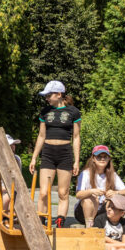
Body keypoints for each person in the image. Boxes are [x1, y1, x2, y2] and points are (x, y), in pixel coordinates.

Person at [29, 80, 81, 229]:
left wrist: (76, 161)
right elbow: (41, 135)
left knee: (63, 192)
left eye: (49, 95)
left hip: (65, 154)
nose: (46, 98)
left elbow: (76, 138)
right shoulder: (45, 112)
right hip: (48, 153)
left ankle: (60, 221)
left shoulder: (73, 112)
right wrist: (34, 157)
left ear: (59, 94)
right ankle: (41, 220)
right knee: (44, 192)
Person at [74, 145, 125, 225]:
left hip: (103, 210)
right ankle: (89, 226)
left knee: (117, 199)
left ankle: (117, 225)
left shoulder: (113, 175)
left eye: (105, 157)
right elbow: (78, 195)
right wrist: (91, 191)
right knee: (91, 198)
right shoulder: (85, 173)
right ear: (93, 158)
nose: (102, 159)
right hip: (83, 212)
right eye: (99, 156)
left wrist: (115, 193)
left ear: (109, 159)